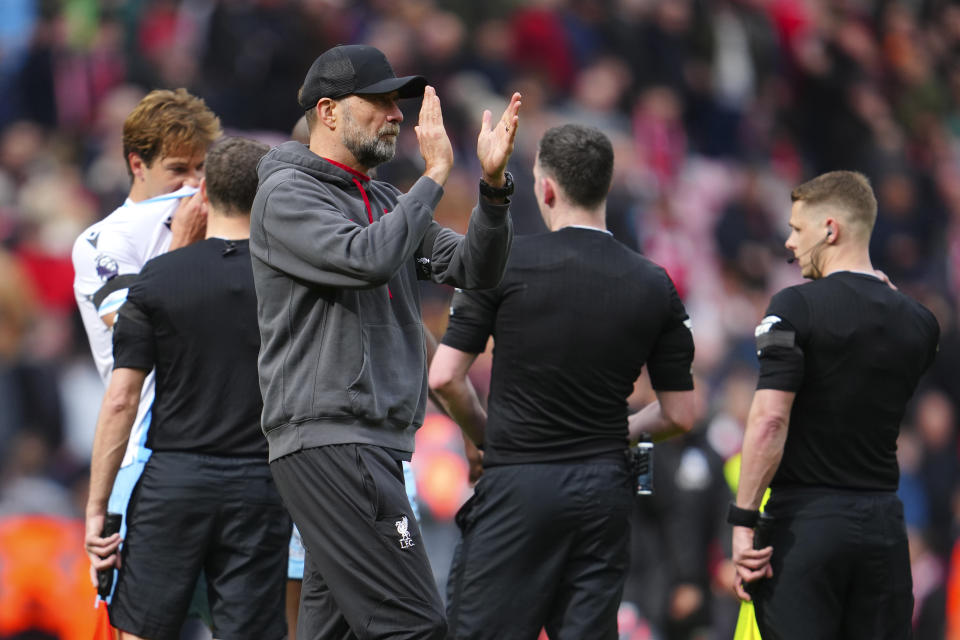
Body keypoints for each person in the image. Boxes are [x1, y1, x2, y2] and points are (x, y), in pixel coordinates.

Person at [250, 44, 520, 639]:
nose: (396, 114)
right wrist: (434, 177)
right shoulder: (288, 194)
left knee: (333, 631)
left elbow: (476, 267)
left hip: (366, 440)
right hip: (333, 438)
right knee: (416, 627)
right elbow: (365, 258)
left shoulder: (384, 200)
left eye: (396, 102)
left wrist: (495, 190)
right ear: (327, 111)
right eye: (378, 102)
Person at [429, 124, 697, 639]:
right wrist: (620, 433)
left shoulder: (503, 261)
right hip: (603, 493)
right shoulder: (653, 282)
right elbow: (679, 413)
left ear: (546, 188)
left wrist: (486, 436)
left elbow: (445, 378)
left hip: (518, 486)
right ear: (605, 186)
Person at [84, 137, 291, 640]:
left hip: (173, 480)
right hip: (261, 481)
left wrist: (97, 507)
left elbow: (121, 399)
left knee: (143, 629)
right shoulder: (291, 279)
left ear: (204, 192)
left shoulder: (156, 280)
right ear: (264, 194)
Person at [729, 171, 940, 639]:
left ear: (831, 228)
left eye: (796, 229)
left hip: (806, 529)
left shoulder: (794, 307)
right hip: (885, 528)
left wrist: (743, 521)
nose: (787, 242)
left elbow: (769, 420)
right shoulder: (921, 323)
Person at [71, 89, 220, 601]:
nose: (192, 184)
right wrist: (182, 248)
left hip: (229, 452)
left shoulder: (222, 224)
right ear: (138, 164)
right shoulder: (103, 241)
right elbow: (132, 329)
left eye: (201, 169)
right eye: (179, 169)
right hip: (143, 457)